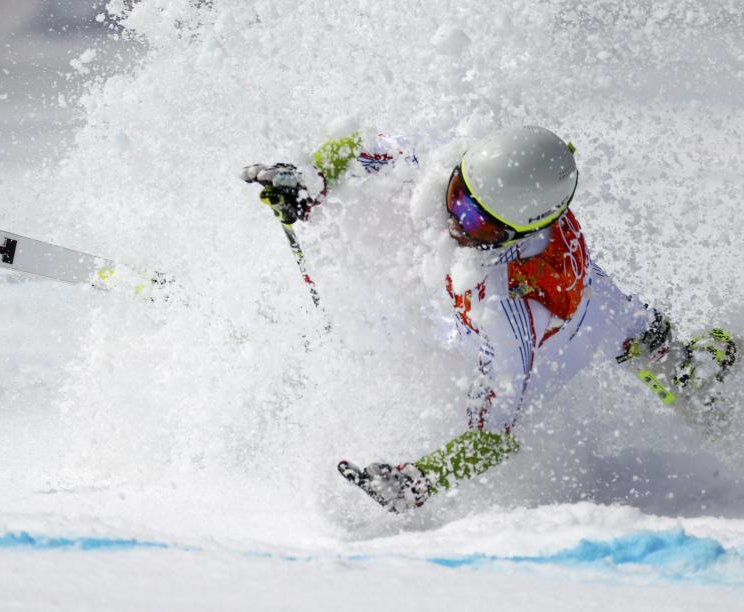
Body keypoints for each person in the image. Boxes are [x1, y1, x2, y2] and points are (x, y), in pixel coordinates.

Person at [241, 126, 738, 513]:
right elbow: (367, 147)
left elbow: (493, 438)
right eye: (459, 194)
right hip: (602, 305)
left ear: (515, 235)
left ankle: (715, 367)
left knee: (685, 377)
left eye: (477, 223)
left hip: (598, 329)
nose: (456, 217)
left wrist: (420, 481)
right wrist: (310, 179)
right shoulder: (471, 179)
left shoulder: (508, 313)